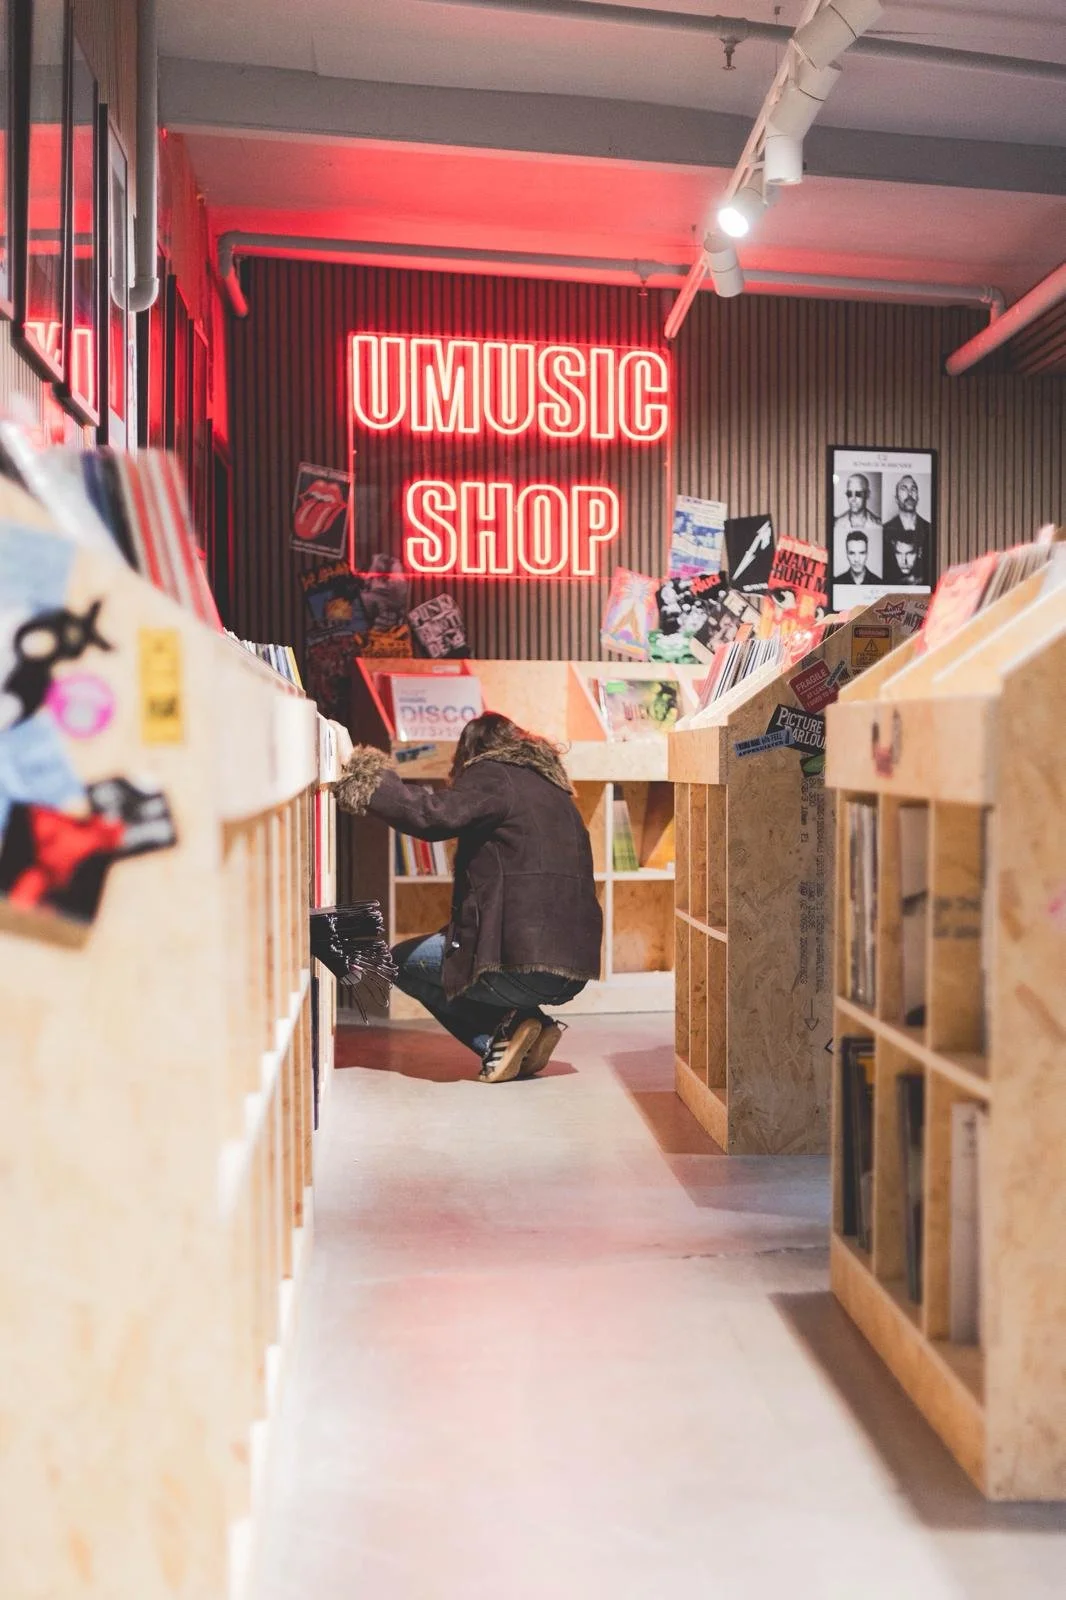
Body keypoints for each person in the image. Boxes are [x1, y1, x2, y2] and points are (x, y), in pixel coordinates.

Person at [334, 711, 603, 1083]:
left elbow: (430, 816)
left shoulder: (493, 773)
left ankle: (500, 1033)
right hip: (572, 971)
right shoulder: (555, 792)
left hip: (517, 964)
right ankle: (529, 1025)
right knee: (447, 953)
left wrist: (362, 774)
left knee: (395, 962)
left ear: (472, 751)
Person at [882, 476, 930, 584]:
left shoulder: (930, 530)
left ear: (918, 497)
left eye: (913, 489)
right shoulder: (884, 532)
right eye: (904, 489)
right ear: (896, 498)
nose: (909, 493)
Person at [832, 473, 882, 540]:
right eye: (849, 494)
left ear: (867, 494)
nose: (853, 499)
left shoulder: (879, 525)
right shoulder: (836, 524)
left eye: (858, 494)